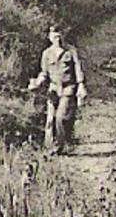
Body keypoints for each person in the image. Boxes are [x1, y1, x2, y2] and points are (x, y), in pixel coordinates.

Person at [27, 23, 86, 153]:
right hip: (53, 89)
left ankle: (60, 145)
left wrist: (81, 86)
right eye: (54, 37)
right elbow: (44, 72)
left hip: (68, 88)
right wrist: (38, 82)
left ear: (63, 36)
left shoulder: (71, 51)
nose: (57, 40)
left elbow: (78, 69)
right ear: (49, 38)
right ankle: (53, 145)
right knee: (51, 119)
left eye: (59, 37)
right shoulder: (47, 54)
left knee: (61, 117)